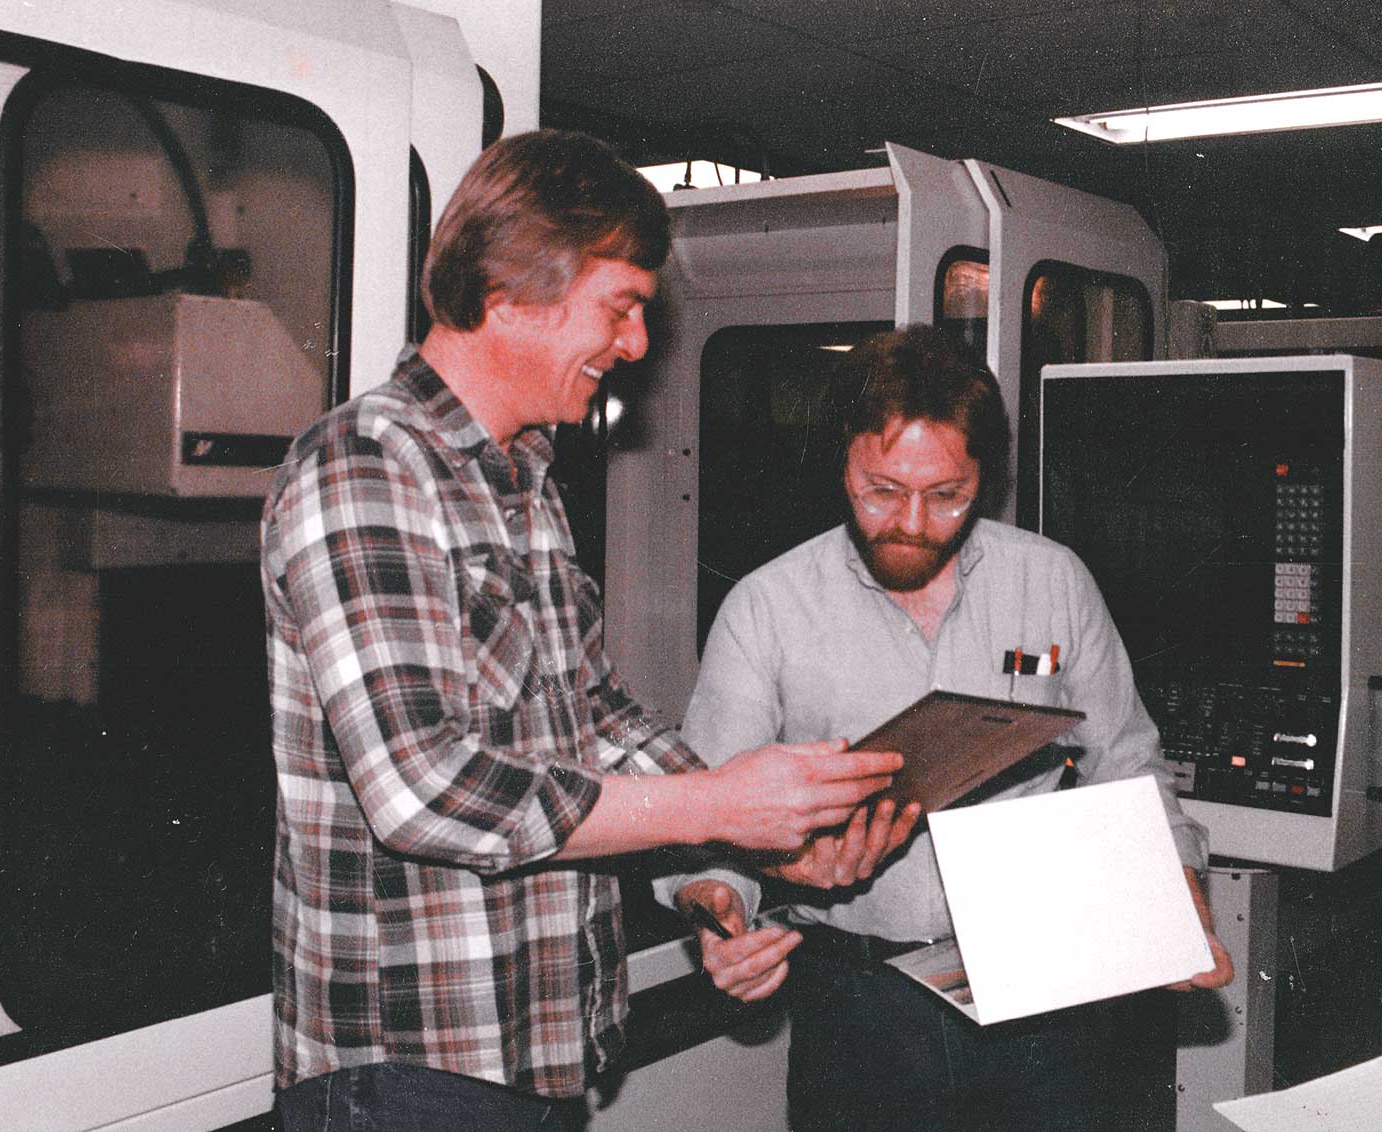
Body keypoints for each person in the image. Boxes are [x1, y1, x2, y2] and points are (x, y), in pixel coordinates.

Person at [259, 130, 905, 1132]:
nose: (637, 346)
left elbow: (596, 719)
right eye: (623, 306)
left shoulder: (524, 481)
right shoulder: (366, 469)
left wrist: (740, 855)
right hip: (412, 1072)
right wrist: (715, 805)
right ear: (515, 292)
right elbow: (425, 791)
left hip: (537, 1049)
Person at [663, 325, 1235, 1132]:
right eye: (882, 491)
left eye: (947, 496)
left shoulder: (1051, 581)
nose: (914, 524)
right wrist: (717, 914)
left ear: (985, 478)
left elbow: (1128, 762)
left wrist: (1181, 907)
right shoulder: (767, 609)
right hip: (864, 1007)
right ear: (843, 465)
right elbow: (707, 816)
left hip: (1048, 992)